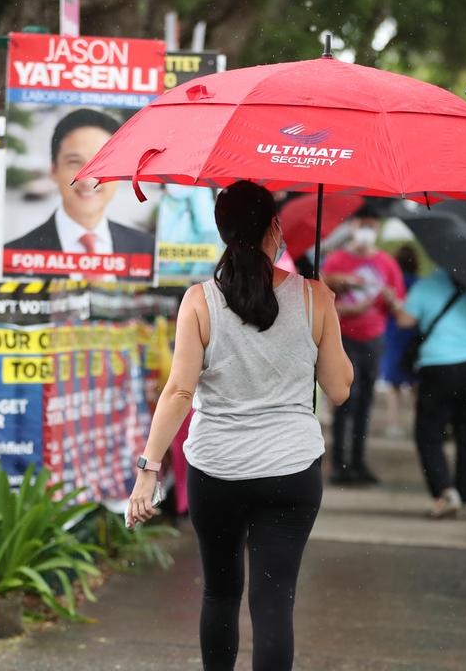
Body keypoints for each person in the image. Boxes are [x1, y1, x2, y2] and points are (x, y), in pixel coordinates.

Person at [126, 181, 352, 671]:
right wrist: (322, 316)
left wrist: (149, 468)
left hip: (216, 469)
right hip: (291, 471)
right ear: (276, 226)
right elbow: (339, 389)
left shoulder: (199, 300)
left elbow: (180, 391)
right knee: (274, 604)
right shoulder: (315, 297)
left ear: (222, 230)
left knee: (221, 594)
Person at [386, 268, 466, 518]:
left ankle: (445, 492)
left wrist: (393, 302)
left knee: (429, 434)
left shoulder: (426, 285)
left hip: (438, 367)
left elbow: (405, 320)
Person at [321, 206, 406, 485]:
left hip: (374, 337)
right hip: (343, 338)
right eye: (362, 224)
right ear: (353, 226)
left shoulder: (386, 263)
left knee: (365, 402)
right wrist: (348, 306)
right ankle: (339, 462)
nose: (367, 231)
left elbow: (399, 306)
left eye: (372, 225)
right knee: (346, 400)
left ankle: (358, 462)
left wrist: (391, 301)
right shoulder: (335, 260)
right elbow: (322, 297)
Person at [6, 108, 156, 261]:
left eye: (102, 163)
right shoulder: (15, 255)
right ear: (53, 170)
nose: (88, 180)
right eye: (74, 162)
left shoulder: (147, 250)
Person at [379, 245, 420, 438]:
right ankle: (417, 421)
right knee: (414, 383)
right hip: (413, 337)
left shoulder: (391, 284)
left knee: (393, 383)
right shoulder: (419, 284)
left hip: (393, 336)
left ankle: (393, 423)